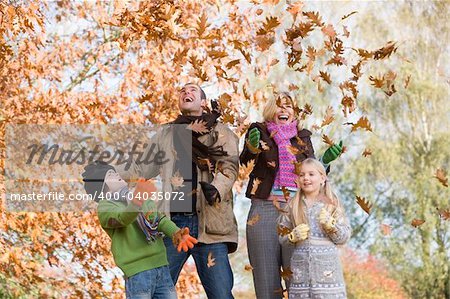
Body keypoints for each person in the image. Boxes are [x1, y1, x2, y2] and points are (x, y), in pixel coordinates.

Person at [117, 83, 239, 298]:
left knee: (221, 294)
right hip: (173, 225)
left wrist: (216, 188)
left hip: (209, 225)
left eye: (192, 90)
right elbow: (141, 168)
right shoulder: (166, 134)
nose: (186, 93)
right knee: (157, 291)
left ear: (203, 102)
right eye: (182, 91)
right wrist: (108, 171)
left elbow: (229, 165)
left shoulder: (220, 132)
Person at [240, 92, 343, 298]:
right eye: (279, 105)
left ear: (294, 112)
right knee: (266, 283)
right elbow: (246, 158)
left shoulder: (302, 138)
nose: (284, 109)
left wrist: (324, 162)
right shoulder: (259, 131)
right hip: (263, 211)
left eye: (288, 106)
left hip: (296, 211)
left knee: (298, 278)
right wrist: (252, 146)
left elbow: (311, 172)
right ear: (271, 110)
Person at [82, 161, 198, 299]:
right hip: (138, 273)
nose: (117, 175)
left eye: (115, 172)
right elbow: (123, 218)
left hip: (162, 267)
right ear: (102, 186)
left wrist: (175, 232)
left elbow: (159, 220)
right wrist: (137, 202)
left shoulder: (139, 197)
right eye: (111, 175)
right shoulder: (105, 208)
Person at [278, 158, 351, 298]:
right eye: (302, 175)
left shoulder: (331, 203)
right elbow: (282, 236)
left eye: (311, 174)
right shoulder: (292, 205)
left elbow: (344, 236)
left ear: (322, 178)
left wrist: (332, 227)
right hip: (301, 283)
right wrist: (291, 236)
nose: (306, 178)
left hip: (329, 282)